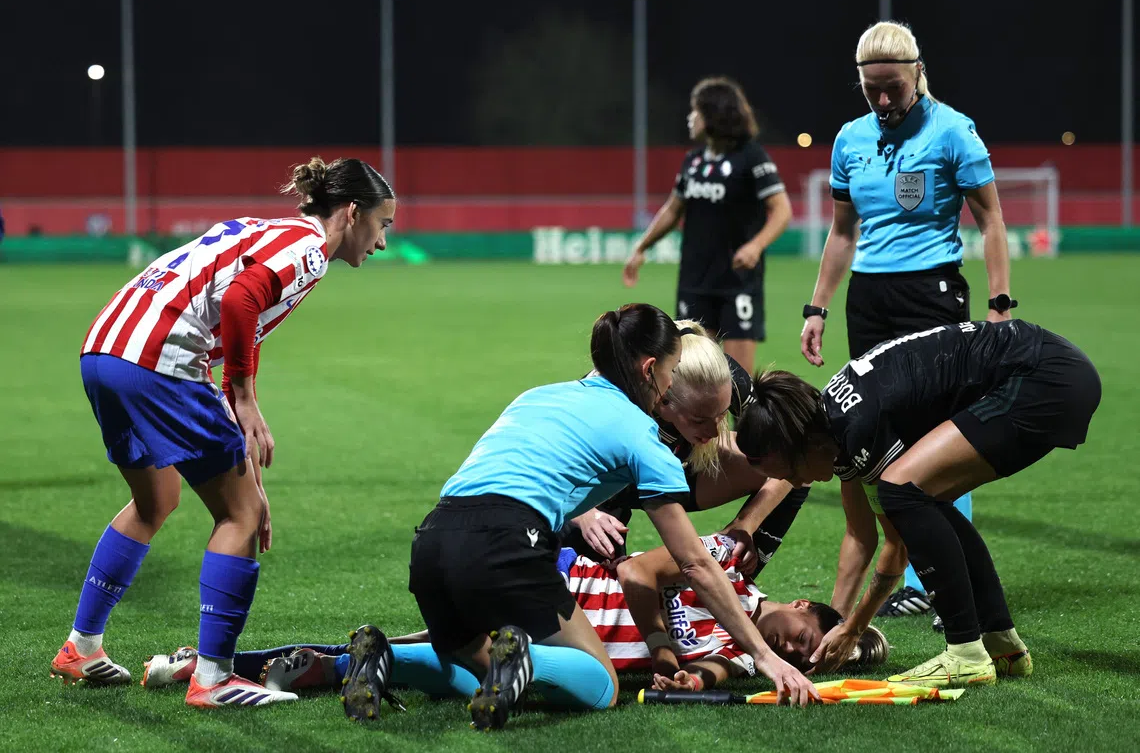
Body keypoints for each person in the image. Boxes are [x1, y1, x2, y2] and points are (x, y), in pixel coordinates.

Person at [51, 157, 396, 709]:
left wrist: (240, 440)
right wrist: (245, 395)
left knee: (155, 500)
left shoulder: (263, 230)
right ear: (352, 213)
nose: (381, 242)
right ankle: (213, 680)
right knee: (241, 515)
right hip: (158, 359)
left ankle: (81, 647)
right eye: (383, 224)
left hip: (106, 350)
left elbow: (227, 320)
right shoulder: (308, 249)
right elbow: (241, 302)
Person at [395, 304, 818, 730]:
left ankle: (379, 656)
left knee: (478, 667)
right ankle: (526, 655)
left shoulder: (540, 395)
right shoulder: (643, 436)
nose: (713, 427)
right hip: (505, 540)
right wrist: (765, 658)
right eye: (671, 379)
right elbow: (693, 563)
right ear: (652, 370)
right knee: (602, 687)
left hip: (432, 540)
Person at [736, 319, 1101, 687]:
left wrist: (854, 629)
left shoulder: (860, 427)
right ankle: (1001, 644)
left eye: (785, 472)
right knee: (926, 495)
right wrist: (835, 625)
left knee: (902, 490)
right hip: (1049, 369)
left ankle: (965, 652)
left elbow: (896, 548)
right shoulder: (832, 424)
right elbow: (860, 537)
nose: (795, 483)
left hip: (1044, 377)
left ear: (798, 445)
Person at [799, 22, 1017, 624]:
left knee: (941, 435)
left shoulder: (954, 131)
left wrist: (1000, 304)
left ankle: (940, 580)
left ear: (916, 74)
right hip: (869, 301)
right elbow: (843, 233)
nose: (884, 101)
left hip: (933, 294)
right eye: (873, 91)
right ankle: (911, 566)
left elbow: (991, 219)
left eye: (893, 87)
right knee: (881, 434)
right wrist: (817, 307)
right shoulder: (850, 139)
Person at [141, 534, 889, 696]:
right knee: (424, 653)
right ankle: (201, 664)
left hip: (558, 653)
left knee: (427, 663)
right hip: (557, 609)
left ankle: (237, 669)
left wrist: (698, 677)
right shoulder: (725, 569)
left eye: (820, 654)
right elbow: (642, 569)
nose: (808, 646)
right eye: (816, 635)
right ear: (801, 606)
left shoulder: (749, 656)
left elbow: (716, 670)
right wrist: (663, 647)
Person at [564, 319, 809, 577]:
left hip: (678, 463)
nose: (714, 431)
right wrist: (586, 515)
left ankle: (738, 589)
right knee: (588, 584)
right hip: (599, 487)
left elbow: (793, 454)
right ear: (664, 396)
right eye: (700, 419)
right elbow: (552, 469)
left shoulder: (723, 378)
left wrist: (744, 525)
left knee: (790, 468)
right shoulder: (612, 400)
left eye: (721, 415)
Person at [623, 76, 792, 376]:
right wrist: (641, 247)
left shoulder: (751, 157)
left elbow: (782, 210)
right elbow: (673, 210)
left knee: (737, 381)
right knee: (695, 378)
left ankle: (742, 425)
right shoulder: (693, 161)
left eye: (696, 111)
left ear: (714, 114)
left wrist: (756, 245)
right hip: (694, 282)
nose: (691, 118)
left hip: (738, 284)